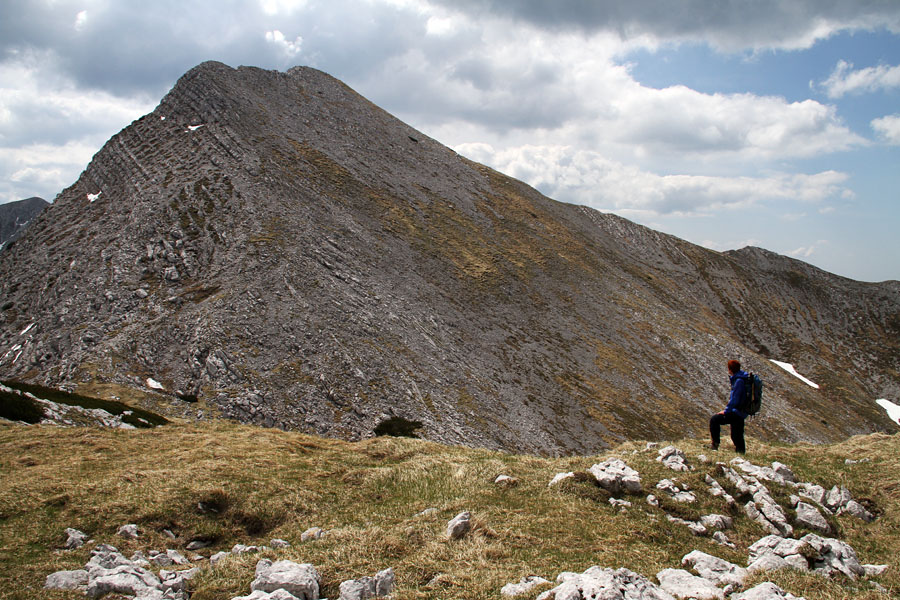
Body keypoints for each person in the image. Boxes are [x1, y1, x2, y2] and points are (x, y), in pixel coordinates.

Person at [709, 359, 748, 453]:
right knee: (737, 434)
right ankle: (741, 452)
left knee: (714, 420)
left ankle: (715, 445)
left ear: (731, 369)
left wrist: (726, 411)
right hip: (741, 412)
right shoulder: (742, 378)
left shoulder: (738, 381)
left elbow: (735, 399)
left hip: (736, 411)